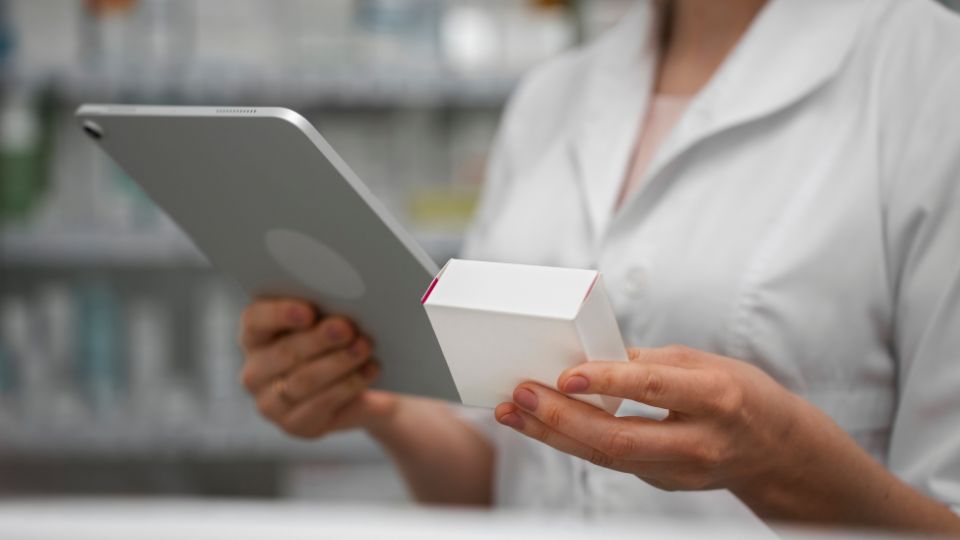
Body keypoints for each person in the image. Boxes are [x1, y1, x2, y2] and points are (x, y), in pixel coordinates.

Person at [237, 0, 960, 534]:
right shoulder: (551, 96)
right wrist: (375, 403)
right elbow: (505, 484)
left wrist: (782, 461)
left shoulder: (930, 75)